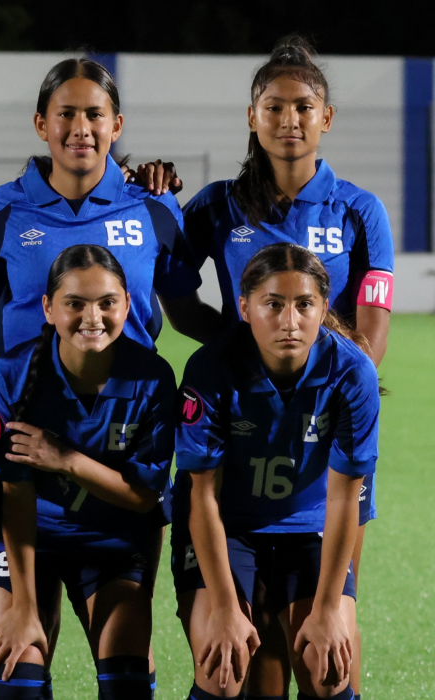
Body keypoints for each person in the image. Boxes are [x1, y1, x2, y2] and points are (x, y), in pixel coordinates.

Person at [172, 37, 392, 700]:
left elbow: (371, 330)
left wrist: (322, 381)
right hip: (240, 426)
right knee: (253, 659)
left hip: (322, 433)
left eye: (304, 106)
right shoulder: (216, 205)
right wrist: (240, 356)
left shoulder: (359, 209)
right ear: (252, 116)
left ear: (326, 118)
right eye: (273, 106)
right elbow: (176, 295)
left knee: (328, 644)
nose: (289, 119)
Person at [171, 242, 378, 700]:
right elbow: (203, 496)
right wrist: (224, 606)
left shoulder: (352, 372)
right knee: (223, 671)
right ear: (244, 308)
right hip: (226, 527)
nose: (290, 321)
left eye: (304, 304)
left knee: (330, 673)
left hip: (308, 527)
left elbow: (345, 496)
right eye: (273, 304)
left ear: (323, 307)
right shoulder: (210, 369)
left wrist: (327, 609)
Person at [0, 244, 176, 700]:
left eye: (107, 303)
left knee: (127, 684)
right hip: (23, 537)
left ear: (127, 305)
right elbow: (15, 496)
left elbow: (144, 498)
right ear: (48, 309)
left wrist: (65, 458)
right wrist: (25, 607)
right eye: (75, 303)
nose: (93, 317)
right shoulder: (9, 375)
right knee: (18, 678)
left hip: (111, 538)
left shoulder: (153, 377)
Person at [0, 56, 218, 358]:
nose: (81, 128)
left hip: (131, 387)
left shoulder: (155, 205)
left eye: (94, 115)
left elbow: (187, 312)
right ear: (41, 124)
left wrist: (255, 354)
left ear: (116, 126)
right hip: (26, 388)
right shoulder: (4, 207)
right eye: (66, 114)